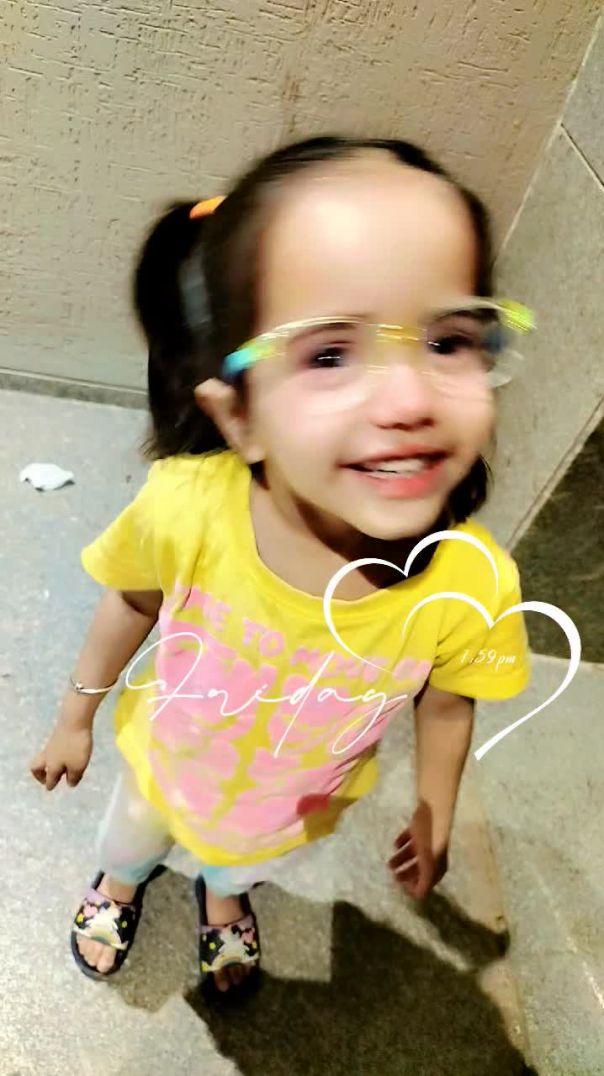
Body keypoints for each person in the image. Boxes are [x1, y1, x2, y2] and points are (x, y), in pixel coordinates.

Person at [31, 135, 533, 1000]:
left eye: (448, 340)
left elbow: (448, 702)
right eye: (330, 354)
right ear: (240, 414)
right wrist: (76, 715)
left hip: (293, 801)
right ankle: (120, 885)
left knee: (243, 865)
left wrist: (436, 808)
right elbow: (132, 602)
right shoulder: (188, 510)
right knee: (131, 837)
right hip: (169, 762)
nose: (409, 399)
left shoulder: (471, 584)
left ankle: (223, 898)